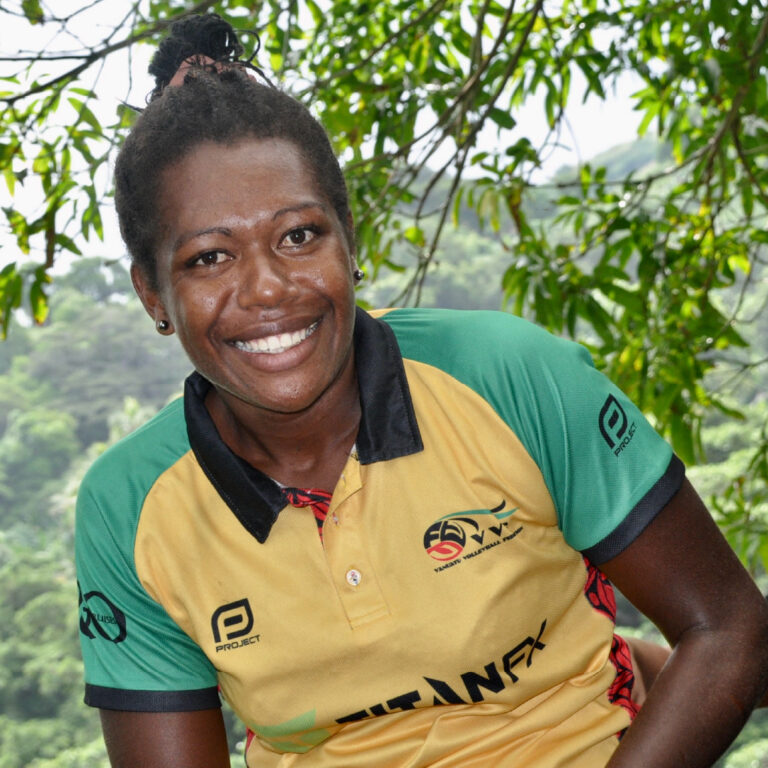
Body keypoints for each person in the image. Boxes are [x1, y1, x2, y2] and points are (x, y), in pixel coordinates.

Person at [75, 13, 768, 768]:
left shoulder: (508, 378)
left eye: (300, 235)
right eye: (209, 258)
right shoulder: (131, 508)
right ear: (152, 295)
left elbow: (728, 628)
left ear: (349, 240)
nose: (268, 287)